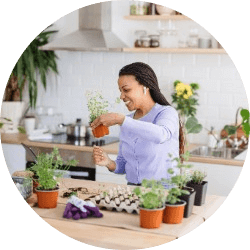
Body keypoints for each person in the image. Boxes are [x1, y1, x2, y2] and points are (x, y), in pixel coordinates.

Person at [91, 62, 185, 186]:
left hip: (163, 191)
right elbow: (123, 166)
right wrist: (108, 162)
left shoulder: (166, 113)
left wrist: (121, 120)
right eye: (120, 91)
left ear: (145, 87)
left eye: (126, 90)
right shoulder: (128, 120)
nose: (122, 96)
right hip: (133, 191)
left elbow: (161, 135)